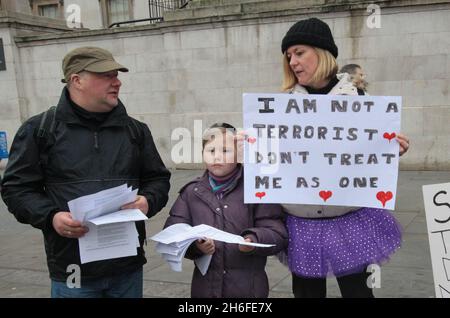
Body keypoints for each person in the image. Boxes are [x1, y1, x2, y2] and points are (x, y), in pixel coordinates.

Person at [237, 17, 410, 298]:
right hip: (301, 221)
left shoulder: (360, 99)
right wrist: (251, 148)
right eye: (289, 55)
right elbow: (272, 163)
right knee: (306, 293)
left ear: (322, 52)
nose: (292, 61)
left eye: (299, 52)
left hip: (349, 219)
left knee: (358, 293)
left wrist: (391, 149)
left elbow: (366, 158)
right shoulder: (279, 106)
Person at [1, 46, 171, 298]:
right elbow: (16, 189)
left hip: (127, 267)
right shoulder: (40, 130)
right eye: (107, 75)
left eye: (116, 75)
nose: (117, 82)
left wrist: (147, 202)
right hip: (72, 269)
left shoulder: (136, 131)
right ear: (76, 80)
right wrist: (51, 217)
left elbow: (158, 180)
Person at [164, 123, 288, 298]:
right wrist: (195, 246)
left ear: (239, 154)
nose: (217, 157)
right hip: (205, 288)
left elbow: (277, 231)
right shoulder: (191, 192)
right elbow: (173, 231)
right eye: (211, 151)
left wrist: (253, 240)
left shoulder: (257, 188)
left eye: (225, 151)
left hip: (249, 289)